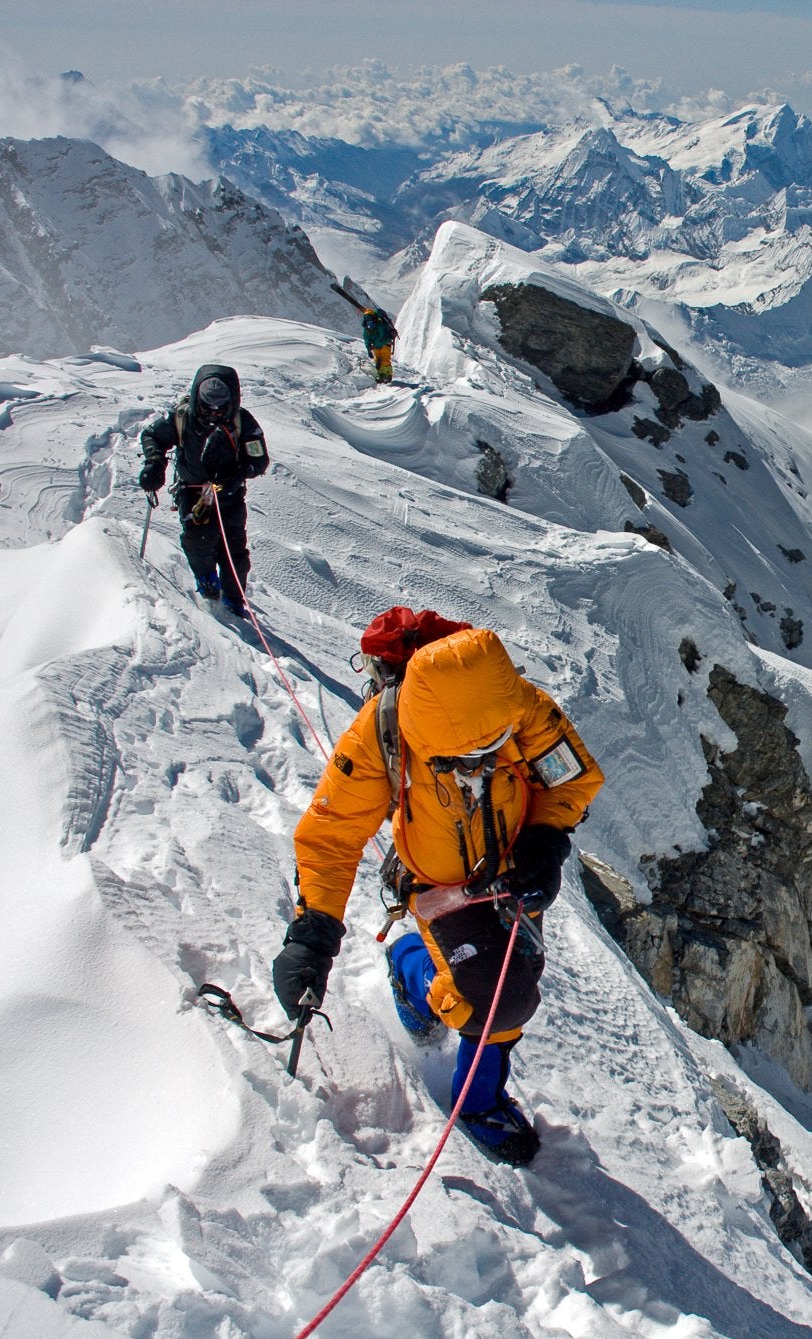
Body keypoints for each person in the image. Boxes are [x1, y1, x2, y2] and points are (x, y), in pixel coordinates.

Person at [273, 611, 605, 1165]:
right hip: (439, 884)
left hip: (512, 870)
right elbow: (331, 834)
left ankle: (412, 970)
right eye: (456, 760)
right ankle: (474, 1095)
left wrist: (546, 840)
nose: (476, 765)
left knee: (518, 976)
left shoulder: (522, 708)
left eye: (490, 749)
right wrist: (312, 933)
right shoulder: (383, 731)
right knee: (496, 1001)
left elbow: (570, 779)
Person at [138, 365, 269, 617]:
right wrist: (154, 463)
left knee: (234, 551)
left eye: (221, 405)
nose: (214, 411)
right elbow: (152, 436)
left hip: (228, 493)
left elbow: (259, 459)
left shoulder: (244, 422)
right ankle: (208, 582)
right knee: (198, 541)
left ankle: (234, 600)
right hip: (193, 491)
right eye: (209, 404)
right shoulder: (181, 417)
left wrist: (237, 475)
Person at [361, 306, 397, 385]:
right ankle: (383, 375)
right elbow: (367, 340)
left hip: (385, 343)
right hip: (379, 345)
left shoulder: (377, 326)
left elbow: (371, 339)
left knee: (384, 360)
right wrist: (369, 350)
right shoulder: (378, 324)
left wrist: (370, 348)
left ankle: (385, 375)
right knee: (379, 360)